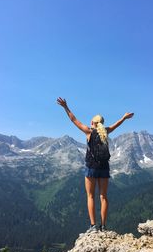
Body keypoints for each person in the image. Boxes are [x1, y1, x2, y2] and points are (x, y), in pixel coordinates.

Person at [57, 97, 134, 233]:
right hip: (104, 168)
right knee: (103, 196)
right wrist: (124, 118)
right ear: (102, 124)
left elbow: (73, 120)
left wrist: (65, 107)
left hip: (91, 168)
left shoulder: (88, 132)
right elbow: (117, 123)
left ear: (92, 123)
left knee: (90, 196)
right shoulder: (107, 131)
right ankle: (103, 226)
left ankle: (93, 226)